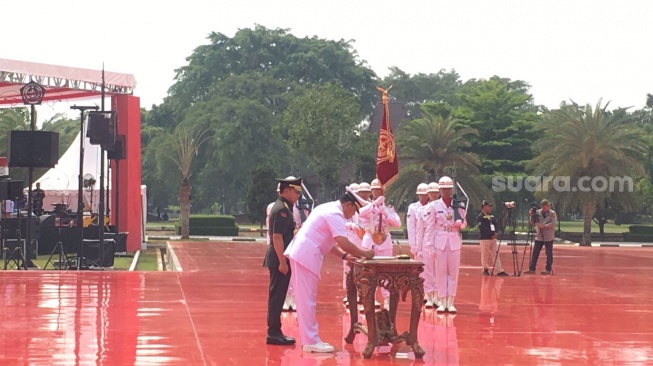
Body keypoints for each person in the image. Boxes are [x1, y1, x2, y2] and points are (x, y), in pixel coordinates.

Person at [284, 187, 375, 353]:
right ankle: (311, 341)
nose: (352, 215)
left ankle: (309, 339)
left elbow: (330, 241)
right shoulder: (335, 214)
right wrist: (365, 253)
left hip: (303, 253)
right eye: (354, 210)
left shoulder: (325, 207)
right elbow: (342, 241)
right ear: (348, 204)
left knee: (305, 300)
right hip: (306, 255)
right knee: (307, 301)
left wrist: (344, 256)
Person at [263, 176, 302, 346]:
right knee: (277, 297)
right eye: (295, 191)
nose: (298, 195)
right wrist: (282, 262)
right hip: (279, 259)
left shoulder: (285, 207)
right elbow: (277, 237)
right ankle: (274, 332)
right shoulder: (282, 210)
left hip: (281, 257)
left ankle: (275, 331)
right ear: (286, 191)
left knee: (278, 296)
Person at [359, 178, 401, 309]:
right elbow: (360, 214)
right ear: (371, 192)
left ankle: (387, 299)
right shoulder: (366, 206)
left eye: (380, 190)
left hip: (384, 241)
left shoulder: (388, 208)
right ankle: (368, 297)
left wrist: (385, 213)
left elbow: (397, 224)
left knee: (385, 270)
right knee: (368, 270)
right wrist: (374, 205)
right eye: (375, 190)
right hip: (369, 239)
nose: (378, 192)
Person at [432, 176, 467, 313]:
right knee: (440, 271)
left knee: (453, 272)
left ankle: (451, 300)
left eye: (448, 189)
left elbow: (464, 222)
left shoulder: (459, 204)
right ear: (440, 190)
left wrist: (461, 224)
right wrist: (429, 245)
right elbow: (430, 226)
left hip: (453, 238)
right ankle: (442, 300)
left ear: (452, 189)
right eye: (444, 189)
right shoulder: (435, 205)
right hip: (440, 239)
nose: (446, 192)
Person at [420, 182, 442, 308]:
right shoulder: (422, 210)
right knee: (428, 270)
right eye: (431, 192)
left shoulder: (443, 207)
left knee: (439, 270)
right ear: (428, 194)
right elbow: (419, 230)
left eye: (435, 192)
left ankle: (438, 295)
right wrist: (417, 247)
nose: (433, 194)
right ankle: (429, 295)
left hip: (439, 240)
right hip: (427, 241)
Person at [524, 199, 557, 275]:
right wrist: (531, 215)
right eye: (547, 205)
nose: (548, 206)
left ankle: (548, 269)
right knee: (535, 252)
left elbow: (553, 223)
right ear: (543, 206)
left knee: (548, 252)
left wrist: (543, 226)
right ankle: (532, 269)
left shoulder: (552, 213)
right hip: (539, 236)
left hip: (548, 236)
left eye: (549, 205)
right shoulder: (537, 212)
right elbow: (532, 222)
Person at [478, 200, 509, 277]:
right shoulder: (480, 217)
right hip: (485, 238)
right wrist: (491, 234)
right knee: (485, 254)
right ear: (484, 207)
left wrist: (497, 232)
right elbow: (483, 228)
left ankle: (499, 270)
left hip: (493, 238)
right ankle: (485, 269)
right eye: (489, 206)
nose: (490, 208)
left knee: (495, 254)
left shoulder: (491, 216)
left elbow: (496, 224)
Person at [406, 183, 429, 257]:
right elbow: (411, 227)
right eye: (420, 194)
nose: (422, 196)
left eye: (424, 194)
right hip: (418, 241)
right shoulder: (413, 207)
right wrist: (413, 245)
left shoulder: (432, 206)